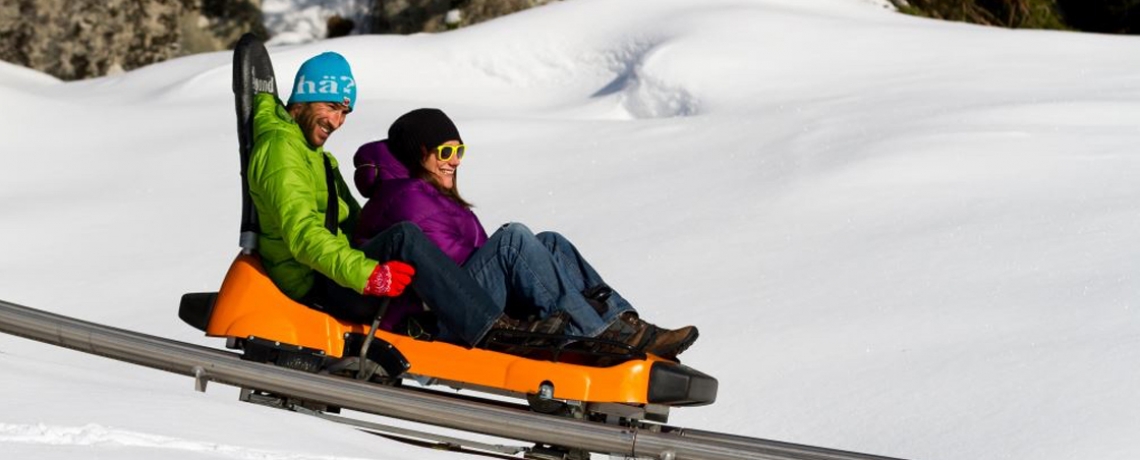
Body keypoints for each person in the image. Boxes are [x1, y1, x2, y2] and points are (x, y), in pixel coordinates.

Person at [246, 52, 557, 348]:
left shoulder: (313, 155)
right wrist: (368, 275)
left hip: (331, 273)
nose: (338, 121)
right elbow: (304, 235)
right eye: (331, 106)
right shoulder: (280, 151)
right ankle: (490, 328)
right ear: (304, 97)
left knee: (403, 236)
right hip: (315, 285)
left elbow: (353, 224)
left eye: (345, 113)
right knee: (405, 236)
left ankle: (494, 316)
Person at [351, 108, 699, 360]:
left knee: (549, 242)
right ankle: (591, 331)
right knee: (514, 239)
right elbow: (447, 274)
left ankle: (621, 321)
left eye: (459, 151)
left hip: (467, 300)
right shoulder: (406, 198)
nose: (455, 160)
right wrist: (510, 266)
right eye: (445, 152)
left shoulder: (427, 193)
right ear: (418, 154)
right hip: (450, 317)